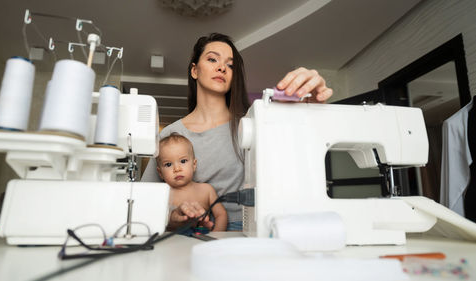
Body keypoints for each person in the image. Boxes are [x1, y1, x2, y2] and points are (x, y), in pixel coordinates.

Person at [142, 33, 333, 231]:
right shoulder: (169, 135)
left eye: (230, 65)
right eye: (212, 59)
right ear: (194, 71)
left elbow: (292, 166)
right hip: (188, 235)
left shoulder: (252, 126)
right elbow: (144, 203)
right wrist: (172, 218)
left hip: (245, 232)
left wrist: (309, 112)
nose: (222, 67)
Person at [156, 133, 227, 231]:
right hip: (172, 242)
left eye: (183, 161)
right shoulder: (162, 194)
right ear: (160, 173)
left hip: (202, 241)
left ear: (194, 165)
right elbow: (156, 221)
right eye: (168, 164)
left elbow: (221, 214)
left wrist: (216, 237)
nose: (177, 168)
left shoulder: (206, 190)